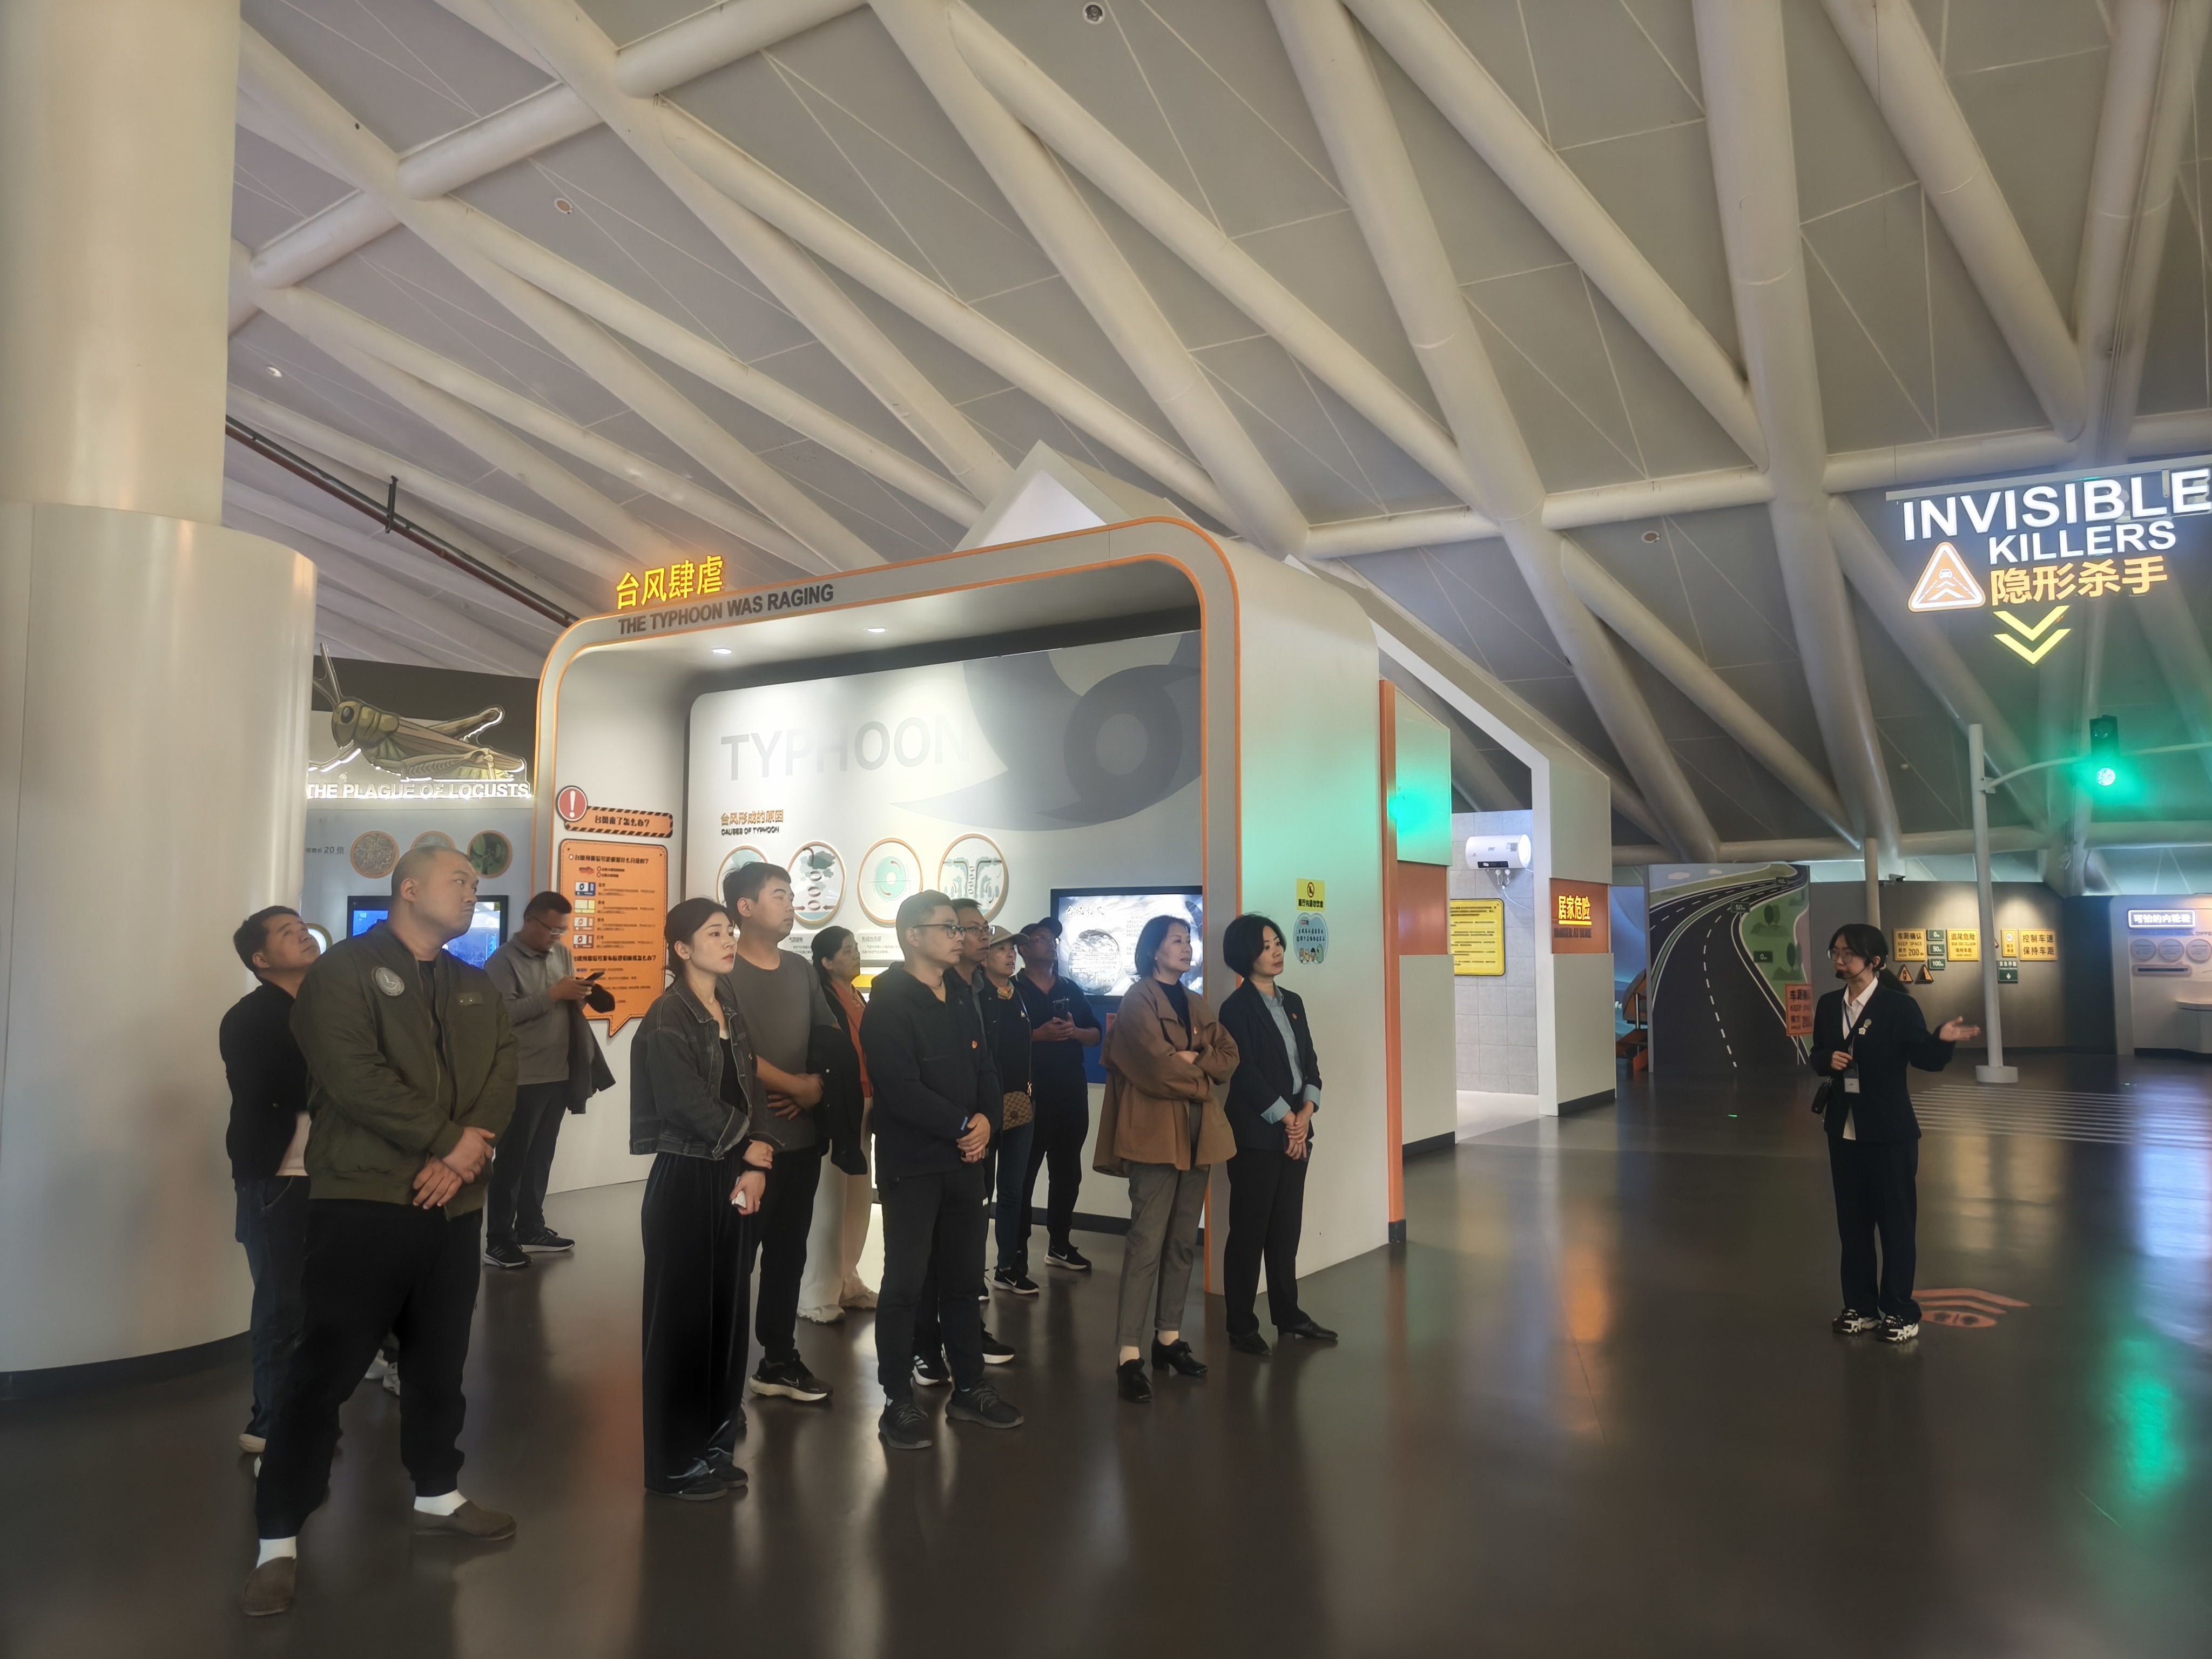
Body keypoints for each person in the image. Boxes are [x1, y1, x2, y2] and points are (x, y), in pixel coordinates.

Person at [245, 847, 518, 1618]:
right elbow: (351, 1074)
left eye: (475, 884)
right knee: (322, 1373)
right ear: (409, 888)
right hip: (364, 1202)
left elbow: (502, 1073)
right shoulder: (343, 972)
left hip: (454, 1207)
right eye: (459, 880)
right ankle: (276, 1538)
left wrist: (466, 1154)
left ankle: (438, 1492)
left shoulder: (473, 983)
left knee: (439, 1363)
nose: (472, 892)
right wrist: (449, 1141)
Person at [860, 891, 1023, 1451]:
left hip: (965, 1162)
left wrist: (986, 1123)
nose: (962, 937)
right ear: (914, 936)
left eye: (961, 928)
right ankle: (896, 1399)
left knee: (962, 1281)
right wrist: (962, 1125)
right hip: (913, 1165)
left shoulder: (960, 994)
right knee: (905, 1285)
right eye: (949, 928)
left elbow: (986, 1067)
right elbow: (900, 1088)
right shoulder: (888, 1002)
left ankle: (970, 1388)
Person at [633, 898, 777, 1500]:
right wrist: (750, 1147)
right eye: (714, 933)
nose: (728, 940)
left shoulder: (729, 1007)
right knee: (681, 1325)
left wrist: (759, 1157)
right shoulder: (669, 1013)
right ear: (682, 949)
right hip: (688, 1176)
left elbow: (752, 1087)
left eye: (730, 931)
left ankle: (712, 1445)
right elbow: (682, 1100)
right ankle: (672, 1464)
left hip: (733, 1173)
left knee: (727, 1315)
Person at [1810, 923, 1978, 1345]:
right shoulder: (1829, 1005)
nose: (1839, 959)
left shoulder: (1899, 1006)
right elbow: (1817, 1054)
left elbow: (1926, 1058)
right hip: (1843, 1129)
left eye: (1848, 953)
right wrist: (1828, 1058)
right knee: (1852, 1225)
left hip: (1889, 1131)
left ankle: (1901, 1310)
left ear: (1875, 961)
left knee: (1895, 1226)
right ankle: (1860, 1307)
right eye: (1835, 952)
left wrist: (1942, 1040)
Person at [1094, 915, 1238, 1404]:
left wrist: (1193, 1060)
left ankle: (1168, 1339)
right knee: (1145, 1245)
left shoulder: (1196, 1002)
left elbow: (1229, 1056)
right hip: (1154, 1138)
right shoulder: (1138, 1000)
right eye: (1177, 940)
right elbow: (1157, 1070)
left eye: (1188, 939)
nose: (1186, 946)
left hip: (1200, 1138)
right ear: (1154, 950)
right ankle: (1128, 1356)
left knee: (1181, 1243)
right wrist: (1200, 1070)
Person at [718, 862, 839, 1404]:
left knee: (789, 1255)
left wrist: (816, 1084)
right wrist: (796, 1085)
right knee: (735, 1259)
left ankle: (778, 1360)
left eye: (791, 895)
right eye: (779, 895)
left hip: (802, 1138)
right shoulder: (724, 970)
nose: (792, 904)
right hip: (747, 1143)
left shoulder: (800, 969)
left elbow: (826, 1034)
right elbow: (732, 1050)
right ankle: (719, 1374)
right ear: (745, 908)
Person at [222, 905, 322, 1456]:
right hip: (280, 1177)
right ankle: (271, 1425)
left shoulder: (327, 1005)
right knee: (283, 1306)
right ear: (261, 960)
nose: (303, 934)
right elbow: (275, 1090)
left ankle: (307, 1417)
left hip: (335, 1174)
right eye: (287, 932)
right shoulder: (250, 1018)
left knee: (322, 1304)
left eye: (302, 926)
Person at [1216, 914, 1338, 1355]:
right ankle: (1241, 1325)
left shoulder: (1294, 1002)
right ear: (1246, 954)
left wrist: (1305, 1112)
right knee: (1249, 1234)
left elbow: (1310, 1065)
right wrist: (1288, 1118)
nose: (1277, 951)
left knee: (1286, 1233)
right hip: (1257, 1137)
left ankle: (1289, 1315)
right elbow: (1243, 1073)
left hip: (1296, 1132)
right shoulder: (1236, 1008)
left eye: (1277, 943)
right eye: (1266, 946)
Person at [482, 891, 615, 1270]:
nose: (557, 937)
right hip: (522, 1076)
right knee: (512, 1161)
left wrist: (579, 995)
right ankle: (499, 1239)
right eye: (552, 929)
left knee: (540, 1157)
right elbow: (503, 1015)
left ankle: (531, 1227)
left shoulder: (562, 954)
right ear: (530, 921)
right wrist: (555, 994)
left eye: (562, 930)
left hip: (560, 1071)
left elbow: (564, 1005)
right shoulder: (502, 962)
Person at [798, 925, 878, 1322]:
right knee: (829, 1200)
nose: (856, 954)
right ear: (827, 962)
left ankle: (847, 1281)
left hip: (866, 1100)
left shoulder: (858, 996)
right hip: (838, 1103)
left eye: (856, 947)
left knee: (858, 1198)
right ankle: (816, 1293)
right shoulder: (822, 998)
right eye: (847, 950)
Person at [1013, 916, 1103, 1273]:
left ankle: (1060, 1245)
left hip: (1070, 1093)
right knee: (1023, 1176)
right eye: (1041, 938)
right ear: (1023, 948)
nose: (1051, 943)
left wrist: (1074, 1032)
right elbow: (999, 1041)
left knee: (1068, 1173)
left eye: (1053, 939)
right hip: (1030, 1095)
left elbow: (1095, 1035)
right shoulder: (1011, 990)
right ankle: (1015, 1253)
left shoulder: (1071, 988)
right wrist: (1037, 1036)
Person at [979, 926, 1038, 1297]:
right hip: (985, 1108)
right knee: (981, 1192)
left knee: (1014, 1190)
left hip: (1020, 1105)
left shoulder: (1018, 995)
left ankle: (1007, 1267)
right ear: (984, 954)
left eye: (1013, 949)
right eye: (1001, 948)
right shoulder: (976, 996)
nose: (1010, 955)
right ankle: (972, 1272)